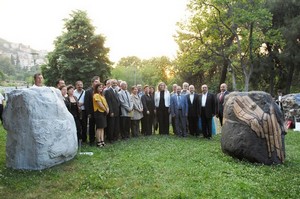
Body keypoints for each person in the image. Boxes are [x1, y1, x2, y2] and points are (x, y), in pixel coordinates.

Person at [84, 76, 100, 145]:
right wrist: (88, 113)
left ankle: (98, 139)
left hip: (98, 112)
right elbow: (86, 103)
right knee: (91, 126)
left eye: (98, 81)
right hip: (91, 112)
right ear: (92, 82)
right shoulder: (88, 91)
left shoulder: (99, 91)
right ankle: (91, 140)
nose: (97, 83)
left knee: (98, 126)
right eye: (96, 81)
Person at [93, 83, 109, 147]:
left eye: (102, 87)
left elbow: (105, 103)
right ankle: (98, 141)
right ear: (96, 88)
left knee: (102, 127)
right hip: (98, 112)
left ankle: (102, 141)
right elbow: (100, 104)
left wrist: (107, 108)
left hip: (103, 112)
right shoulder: (96, 95)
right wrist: (105, 109)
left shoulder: (102, 95)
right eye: (99, 87)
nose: (101, 88)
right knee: (99, 127)